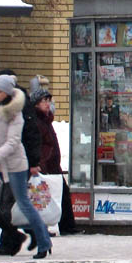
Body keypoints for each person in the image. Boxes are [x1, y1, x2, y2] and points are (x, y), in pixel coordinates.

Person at [0, 74, 52, 260]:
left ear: (7, 92)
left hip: (14, 164)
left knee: (23, 203)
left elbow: (13, 142)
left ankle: (44, 241)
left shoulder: (15, 113)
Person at [0, 68, 40, 256]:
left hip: (17, 163)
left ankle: (19, 238)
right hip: (2, 162)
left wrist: (33, 161)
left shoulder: (19, 105)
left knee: (9, 204)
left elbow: (30, 134)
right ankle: (31, 233)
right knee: (10, 204)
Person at [32, 86, 79, 237]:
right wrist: (41, 163)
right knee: (43, 198)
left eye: (48, 100)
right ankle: (49, 228)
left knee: (61, 195)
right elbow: (40, 145)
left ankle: (66, 226)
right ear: (36, 104)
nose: (47, 104)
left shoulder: (46, 120)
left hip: (52, 165)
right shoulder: (37, 122)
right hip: (45, 166)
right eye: (43, 101)